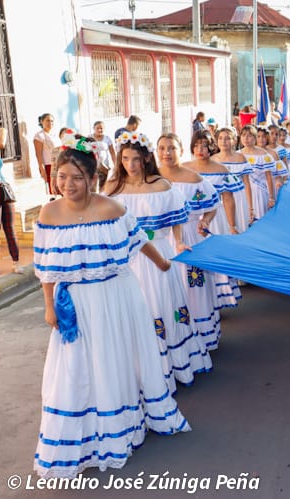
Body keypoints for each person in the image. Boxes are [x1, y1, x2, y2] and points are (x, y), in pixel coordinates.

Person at [33, 135, 191, 479]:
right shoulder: (49, 212)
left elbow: (139, 240)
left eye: (77, 178)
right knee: (74, 368)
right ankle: (80, 437)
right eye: (62, 177)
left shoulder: (112, 208)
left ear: (92, 179)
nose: (68, 185)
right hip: (74, 302)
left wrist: (163, 263)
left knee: (112, 360)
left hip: (116, 296)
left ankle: (121, 426)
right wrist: (49, 307)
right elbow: (45, 266)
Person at [105, 132, 212, 387]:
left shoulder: (162, 185)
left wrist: (178, 243)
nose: (130, 165)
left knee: (163, 306)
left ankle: (170, 365)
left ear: (145, 159)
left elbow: (176, 220)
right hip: (126, 259)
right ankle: (139, 369)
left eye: (136, 159)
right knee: (135, 310)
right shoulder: (112, 188)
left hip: (159, 254)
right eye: (126, 159)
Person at [156, 133, 221, 350]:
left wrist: (205, 221)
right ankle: (175, 340)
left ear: (181, 151)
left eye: (171, 148)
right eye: (162, 148)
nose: (166, 153)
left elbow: (213, 205)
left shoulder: (194, 178)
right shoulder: (151, 179)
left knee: (194, 286)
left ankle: (203, 336)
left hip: (190, 238)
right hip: (160, 242)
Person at [183, 130, 241, 309]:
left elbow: (228, 199)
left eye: (204, 145)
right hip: (190, 223)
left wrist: (232, 226)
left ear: (211, 147)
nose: (200, 149)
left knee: (214, 260)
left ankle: (216, 300)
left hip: (215, 219)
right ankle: (196, 302)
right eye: (196, 145)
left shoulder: (221, 169)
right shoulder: (184, 168)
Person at [0, 124, 20, 275]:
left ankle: (16, 262)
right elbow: (2, 143)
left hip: (4, 188)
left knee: (10, 227)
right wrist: (4, 131)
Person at [212, 128, 254, 230]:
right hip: (220, 201)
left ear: (234, 140)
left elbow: (247, 183)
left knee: (239, 228)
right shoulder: (212, 160)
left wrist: (250, 207)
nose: (223, 142)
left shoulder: (240, 158)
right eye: (220, 138)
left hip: (238, 199)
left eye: (227, 138)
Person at [239, 125, 276, 220]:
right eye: (243, 135)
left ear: (254, 138)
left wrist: (271, 197)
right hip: (242, 194)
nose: (246, 138)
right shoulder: (237, 155)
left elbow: (269, 177)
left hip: (260, 192)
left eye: (249, 135)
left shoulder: (263, 155)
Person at [34, 113, 58, 198]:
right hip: (48, 165)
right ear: (42, 121)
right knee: (53, 189)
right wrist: (42, 169)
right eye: (47, 120)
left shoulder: (55, 135)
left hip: (58, 165)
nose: (50, 123)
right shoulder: (39, 136)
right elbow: (38, 154)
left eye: (52, 121)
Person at [91, 120, 116, 191]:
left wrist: (116, 166)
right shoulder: (89, 138)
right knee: (93, 186)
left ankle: (101, 200)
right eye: (97, 128)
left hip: (104, 167)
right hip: (93, 166)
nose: (99, 130)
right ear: (94, 128)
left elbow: (112, 153)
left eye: (101, 128)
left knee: (103, 186)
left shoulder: (107, 139)